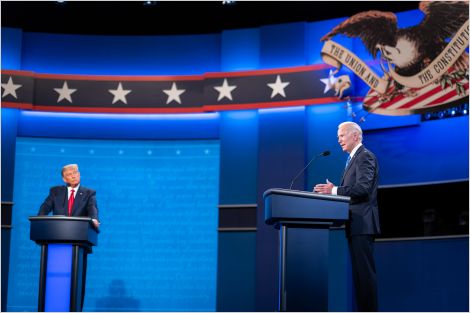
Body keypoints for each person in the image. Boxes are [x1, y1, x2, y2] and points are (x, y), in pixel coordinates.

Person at [314, 121, 380, 312]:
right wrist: (335, 191)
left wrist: (334, 189)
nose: (339, 140)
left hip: (363, 223)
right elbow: (353, 190)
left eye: (342, 135)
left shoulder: (365, 156)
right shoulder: (353, 159)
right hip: (355, 224)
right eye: (338, 137)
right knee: (360, 278)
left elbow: (363, 189)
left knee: (365, 277)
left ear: (355, 136)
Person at [38, 163, 100, 228]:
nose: (73, 176)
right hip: (58, 230)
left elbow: (92, 207)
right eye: (69, 174)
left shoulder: (89, 193)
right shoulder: (55, 192)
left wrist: (94, 219)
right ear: (64, 179)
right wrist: (39, 219)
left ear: (79, 175)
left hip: (79, 231)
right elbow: (46, 206)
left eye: (75, 173)